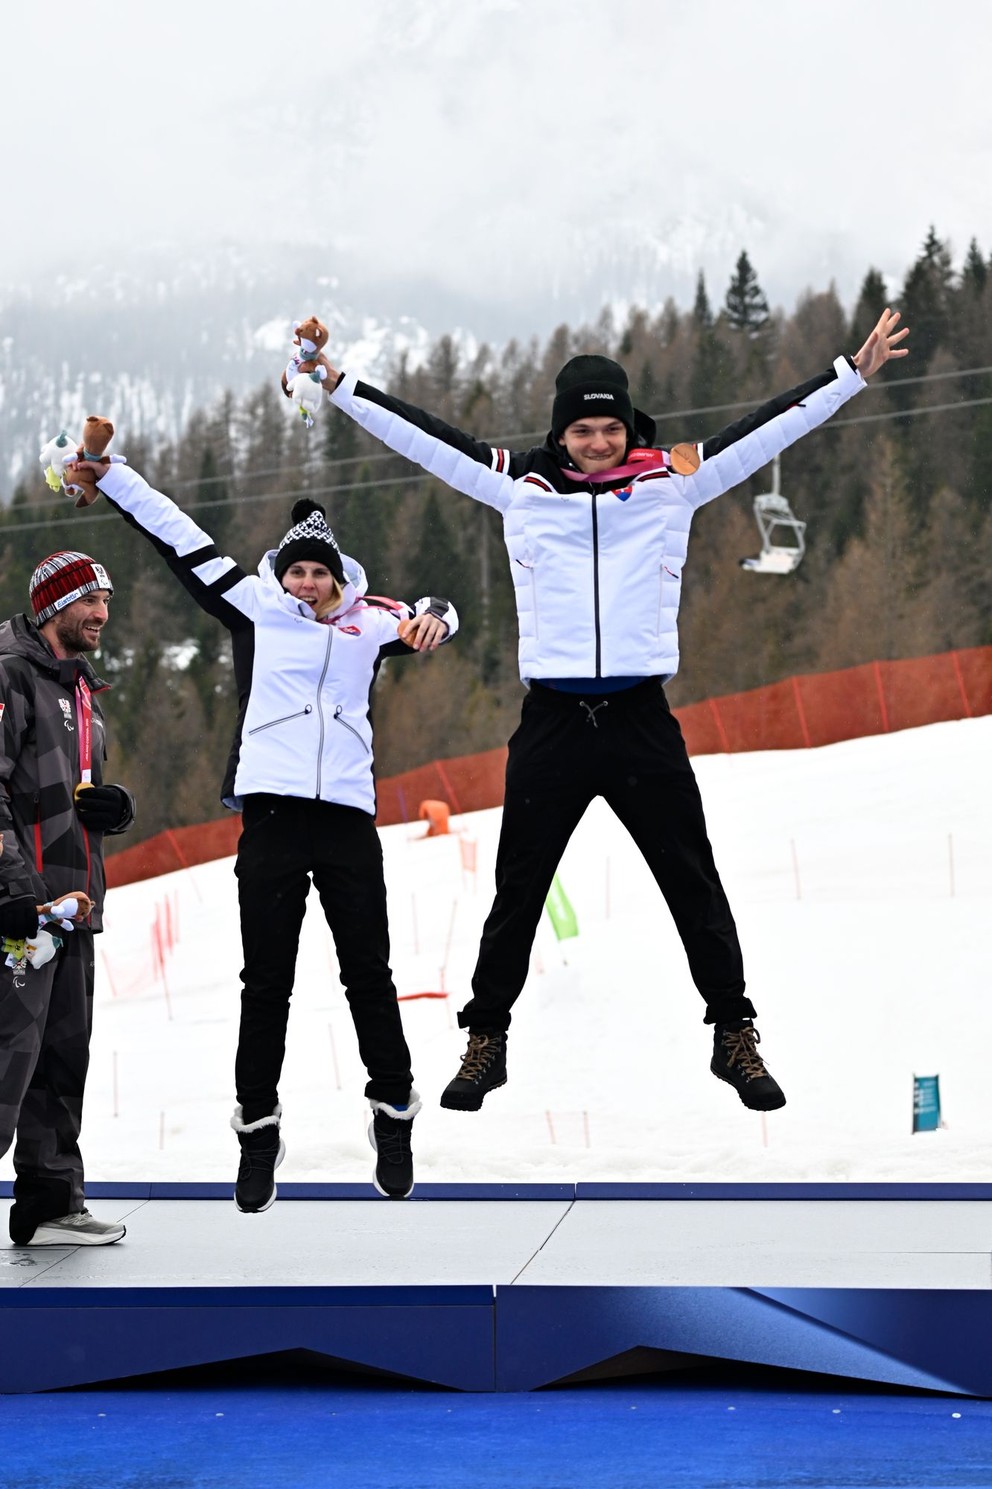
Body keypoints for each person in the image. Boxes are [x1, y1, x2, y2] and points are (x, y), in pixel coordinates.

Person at [304, 306, 909, 1116]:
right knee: (517, 889)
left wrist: (850, 374)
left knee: (692, 879)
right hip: (552, 720)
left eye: (609, 428)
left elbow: (764, 432)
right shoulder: (519, 486)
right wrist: (338, 386)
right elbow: (427, 437)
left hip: (639, 717)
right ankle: (487, 1040)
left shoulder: (672, 481)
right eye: (583, 430)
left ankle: (734, 1034)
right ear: (561, 433)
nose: (597, 442)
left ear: (630, 428)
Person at [74, 452, 458, 1210]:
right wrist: (113, 476)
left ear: (339, 578)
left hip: (347, 819)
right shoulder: (253, 606)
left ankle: (393, 1114)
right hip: (273, 818)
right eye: (296, 574)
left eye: (319, 574)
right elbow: (176, 535)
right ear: (280, 576)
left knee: (369, 975)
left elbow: (435, 604)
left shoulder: (367, 624)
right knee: (267, 983)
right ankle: (257, 1129)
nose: (306, 586)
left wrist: (436, 619)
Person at [0, 552, 135, 1246]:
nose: (101, 615)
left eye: (105, 601)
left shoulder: (79, 686)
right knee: (5, 1060)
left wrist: (113, 809)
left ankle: (49, 1199)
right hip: (19, 912)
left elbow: (64, 793)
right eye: (89, 601)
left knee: (60, 1060)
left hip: (72, 907)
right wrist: (14, 889)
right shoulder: (9, 671)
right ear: (53, 605)